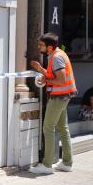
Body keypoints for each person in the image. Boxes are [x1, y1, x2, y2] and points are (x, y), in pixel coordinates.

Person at [29, 32, 77, 174]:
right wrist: (40, 70)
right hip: (64, 96)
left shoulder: (56, 58)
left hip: (59, 97)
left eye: (41, 45)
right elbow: (54, 76)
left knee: (48, 128)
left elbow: (60, 80)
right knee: (63, 128)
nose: (39, 47)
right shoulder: (58, 54)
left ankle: (47, 165)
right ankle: (67, 163)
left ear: (49, 47)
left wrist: (46, 81)